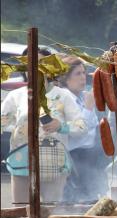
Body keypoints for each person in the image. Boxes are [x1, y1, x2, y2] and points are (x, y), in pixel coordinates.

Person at [1, 48, 88, 203]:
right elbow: (3, 121)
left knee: (50, 211)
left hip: (54, 161)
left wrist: (61, 126)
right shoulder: (16, 96)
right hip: (22, 160)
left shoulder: (63, 95)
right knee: (21, 211)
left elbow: (81, 127)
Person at [59, 55, 109, 202]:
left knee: (97, 197)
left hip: (91, 156)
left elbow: (92, 126)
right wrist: (88, 108)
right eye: (77, 74)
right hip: (75, 157)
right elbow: (78, 132)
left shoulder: (82, 96)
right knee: (80, 200)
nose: (83, 78)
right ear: (66, 78)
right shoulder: (63, 98)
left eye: (83, 73)